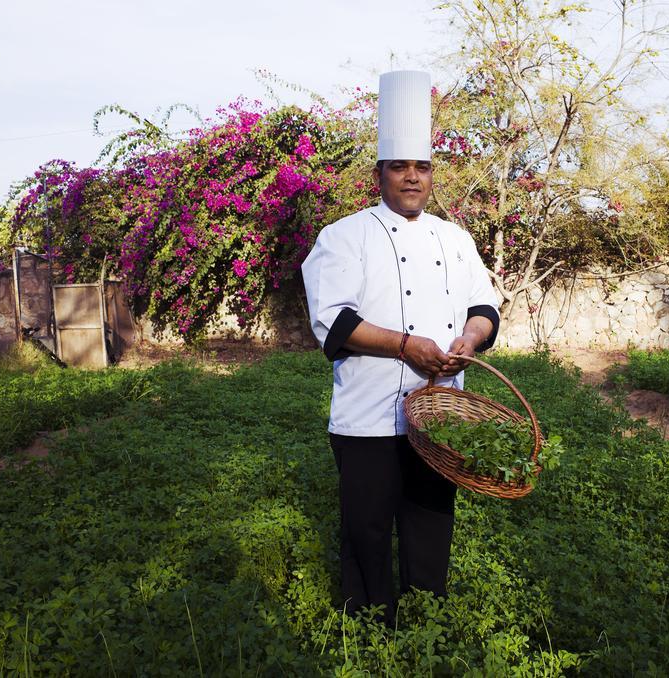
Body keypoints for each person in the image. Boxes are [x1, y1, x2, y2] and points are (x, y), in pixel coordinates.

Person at [301, 70, 500, 624]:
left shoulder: (455, 239)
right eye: (399, 167)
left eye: (421, 167)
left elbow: (485, 309)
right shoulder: (344, 236)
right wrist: (406, 345)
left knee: (431, 517)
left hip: (439, 414)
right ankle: (369, 626)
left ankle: (426, 622)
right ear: (380, 174)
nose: (412, 178)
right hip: (366, 414)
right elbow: (334, 322)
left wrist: (469, 339)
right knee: (365, 526)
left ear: (432, 173)